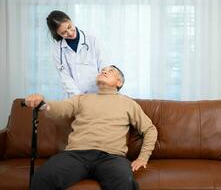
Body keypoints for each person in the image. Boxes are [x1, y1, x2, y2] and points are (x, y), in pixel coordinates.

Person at [25, 65, 158, 190]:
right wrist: (42, 103)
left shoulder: (129, 103)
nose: (104, 71)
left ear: (119, 83)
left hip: (111, 157)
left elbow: (150, 129)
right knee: (41, 178)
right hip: (76, 155)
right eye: (103, 70)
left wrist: (143, 158)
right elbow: (60, 109)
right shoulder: (82, 99)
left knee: (125, 183)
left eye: (110, 71)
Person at [47, 10, 105, 97]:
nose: (70, 33)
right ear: (57, 34)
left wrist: (105, 90)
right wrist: (78, 97)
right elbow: (65, 77)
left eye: (69, 27)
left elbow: (103, 65)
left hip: (98, 93)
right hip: (75, 98)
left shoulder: (92, 39)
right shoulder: (58, 50)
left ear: (71, 20)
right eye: (63, 33)